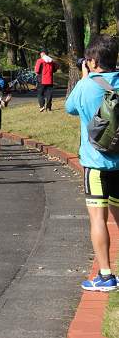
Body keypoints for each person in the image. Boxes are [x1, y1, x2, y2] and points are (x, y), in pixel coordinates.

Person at [66, 34, 119, 291]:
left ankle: (107, 276)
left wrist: (85, 78)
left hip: (96, 163)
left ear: (93, 61)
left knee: (98, 219)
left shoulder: (85, 86)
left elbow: (70, 109)